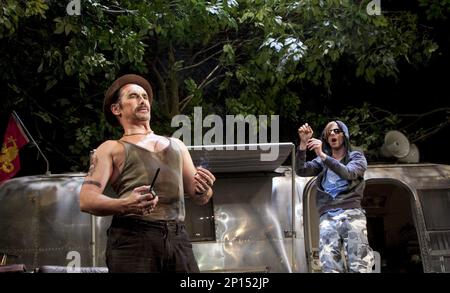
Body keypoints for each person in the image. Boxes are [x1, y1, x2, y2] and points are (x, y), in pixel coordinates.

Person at [79, 74, 215, 273]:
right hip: (133, 239)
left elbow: (200, 198)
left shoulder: (177, 145)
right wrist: (125, 204)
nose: (142, 100)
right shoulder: (110, 148)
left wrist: (204, 190)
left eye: (144, 96)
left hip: (178, 238)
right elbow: (86, 200)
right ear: (116, 109)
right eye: (133, 96)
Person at [296, 121, 374, 273]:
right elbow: (301, 170)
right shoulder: (322, 162)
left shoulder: (356, 156)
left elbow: (349, 173)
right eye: (328, 132)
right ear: (325, 138)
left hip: (351, 213)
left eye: (336, 131)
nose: (332, 134)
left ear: (344, 135)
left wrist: (323, 155)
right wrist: (303, 144)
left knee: (360, 265)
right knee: (329, 266)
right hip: (327, 216)